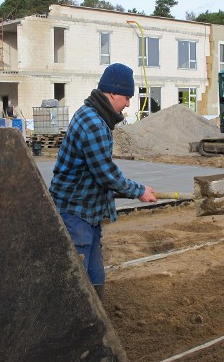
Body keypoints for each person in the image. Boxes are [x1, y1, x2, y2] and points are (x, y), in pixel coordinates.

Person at [49, 63, 157, 300]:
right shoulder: (94, 124)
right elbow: (106, 174)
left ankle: (96, 322)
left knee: (95, 276)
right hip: (75, 212)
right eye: (127, 97)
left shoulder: (95, 116)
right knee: (76, 283)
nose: (128, 103)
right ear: (113, 93)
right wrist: (139, 191)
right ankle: (77, 328)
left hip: (88, 213)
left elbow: (99, 173)